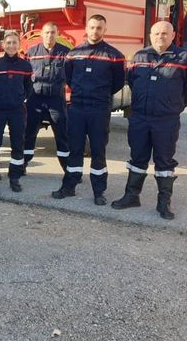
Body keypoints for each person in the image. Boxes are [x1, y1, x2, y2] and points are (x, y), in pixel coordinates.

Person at [111, 21, 187, 219]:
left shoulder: (183, 58)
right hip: (140, 118)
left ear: (173, 35)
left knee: (164, 161)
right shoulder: (140, 56)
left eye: (164, 33)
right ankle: (131, 196)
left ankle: (163, 203)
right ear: (150, 35)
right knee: (137, 157)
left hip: (166, 120)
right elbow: (133, 82)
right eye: (156, 33)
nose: (160, 37)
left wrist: (173, 105)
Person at [52, 14, 125, 205]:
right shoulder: (73, 53)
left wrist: (99, 94)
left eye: (99, 28)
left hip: (99, 109)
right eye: (92, 27)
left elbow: (117, 83)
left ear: (105, 30)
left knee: (98, 151)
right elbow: (68, 77)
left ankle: (99, 191)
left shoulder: (114, 56)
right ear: (87, 28)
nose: (95, 31)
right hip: (77, 108)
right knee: (74, 149)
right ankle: (69, 187)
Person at [0, 31, 33, 193]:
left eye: (14, 43)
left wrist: (19, 99)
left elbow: (28, 88)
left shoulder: (25, 66)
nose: (11, 46)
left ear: (19, 45)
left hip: (17, 111)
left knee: (18, 145)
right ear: (3, 45)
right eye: (8, 43)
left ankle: (15, 178)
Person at [23, 22, 70, 173]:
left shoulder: (66, 53)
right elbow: (23, 75)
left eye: (53, 32)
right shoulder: (31, 52)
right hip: (35, 99)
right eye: (47, 32)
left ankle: (68, 169)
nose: (50, 35)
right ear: (41, 34)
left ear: (58, 34)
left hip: (56, 100)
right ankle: (22, 165)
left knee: (62, 134)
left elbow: (74, 76)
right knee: (29, 133)